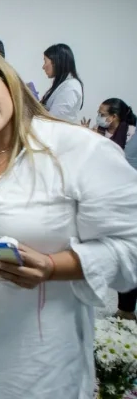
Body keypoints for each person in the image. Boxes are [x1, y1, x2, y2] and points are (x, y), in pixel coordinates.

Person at [0, 44, 137, 398]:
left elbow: (131, 249)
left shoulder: (78, 150)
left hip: (34, 365)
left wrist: (54, 266)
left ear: (10, 83)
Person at [84, 98, 137, 321]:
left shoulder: (131, 135)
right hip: (106, 198)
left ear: (114, 117)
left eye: (102, 113)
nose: (99, 117)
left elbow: (126, 163)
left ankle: (126, 309)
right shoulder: (101, 133)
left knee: (128, 252)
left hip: (128, 199)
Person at [40, 43, 84, 123]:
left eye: (45, 61)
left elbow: (54, 119)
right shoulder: (62, 84)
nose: (43, 67)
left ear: (56, 62)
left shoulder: (71, 87)